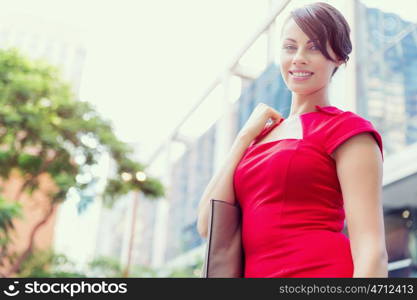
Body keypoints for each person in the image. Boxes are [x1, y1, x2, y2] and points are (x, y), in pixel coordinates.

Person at [197, 2, 388, 278]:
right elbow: (207, 225)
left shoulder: (347, 130)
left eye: (314, 47)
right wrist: (243, 137)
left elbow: (371, 251)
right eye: (290, 47)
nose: (299, 57)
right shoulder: (255, 140)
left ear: (339, 58)